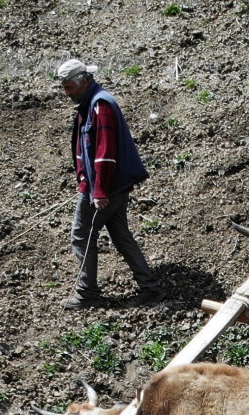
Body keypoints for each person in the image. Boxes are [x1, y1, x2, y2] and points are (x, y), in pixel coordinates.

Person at [57, 58, 162, 310]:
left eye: (69, 87)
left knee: (81, 236)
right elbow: (86, 150)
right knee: (120, 234)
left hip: (105, 188)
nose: (67, 93)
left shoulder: (100, 106)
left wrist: (99, 190)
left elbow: (105, 153)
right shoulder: (92, 103)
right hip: (107, 186)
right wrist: (84, 177)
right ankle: (150, 287)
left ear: (83, 82)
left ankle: (87, 292)